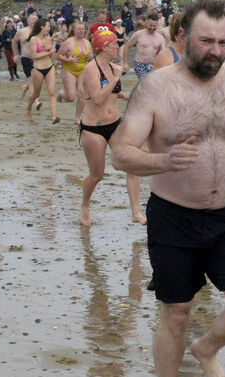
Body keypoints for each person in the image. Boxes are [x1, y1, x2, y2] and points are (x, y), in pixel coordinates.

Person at [111, 0, 225, 377]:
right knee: (176, 314)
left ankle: (206, 348)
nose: (216, 51)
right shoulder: (157, 87)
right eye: (206, 41)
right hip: (174, 216)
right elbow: (120, 153)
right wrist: (163, 161)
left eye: (222, 42)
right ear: (182, 37)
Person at [77, 29, 143, 226]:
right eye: (115, 44)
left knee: (132, 165)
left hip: (115, 124)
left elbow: (115, 93)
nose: (118, 47)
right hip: (93, 129)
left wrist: (132, 97)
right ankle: (85, 206)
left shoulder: (112, 66)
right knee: (97, 174)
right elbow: (97, 99)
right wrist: (115, 77)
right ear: (104, 48)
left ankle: (136, 212)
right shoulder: (91, 68)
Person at [57, 20, 92, 123]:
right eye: (79, 29)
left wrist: (91, 57)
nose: (81, 31)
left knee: (82, 94)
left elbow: (90, 58)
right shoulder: (68, 42)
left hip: (82, 71)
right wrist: (68, 60)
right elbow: (58, 56)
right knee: (71, 97)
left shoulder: (87, 42)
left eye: (83, 29)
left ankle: (77, 118)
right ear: (74, 30)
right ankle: (60, 93)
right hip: (69, 70)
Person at [125, 13, 167, 79]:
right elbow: (127, 46)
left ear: (157, 25)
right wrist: (125, 62)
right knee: (145, 82)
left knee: (152, 85)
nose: (152, 28)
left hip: (153, 65)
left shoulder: (160, 38)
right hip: (140, 64)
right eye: (150, 25)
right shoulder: (138, 34)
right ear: (147, 23)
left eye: (154, 26)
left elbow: (163, 53)